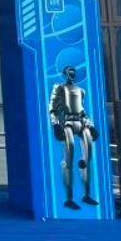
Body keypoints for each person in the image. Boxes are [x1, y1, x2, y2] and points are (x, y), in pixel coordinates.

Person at [49, 66, 99, 210]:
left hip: (81, 122)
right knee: (69, 157)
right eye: (69, 72)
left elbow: (82, 111)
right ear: (65, 73)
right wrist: (55, 125)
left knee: (87, 156)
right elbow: (52, 108)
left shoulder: (81, 90)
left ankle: (86, 194)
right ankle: (69, 197)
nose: (71, 75)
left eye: (73, 72)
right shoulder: (59, 88)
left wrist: (90, 125)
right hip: (67, 123)